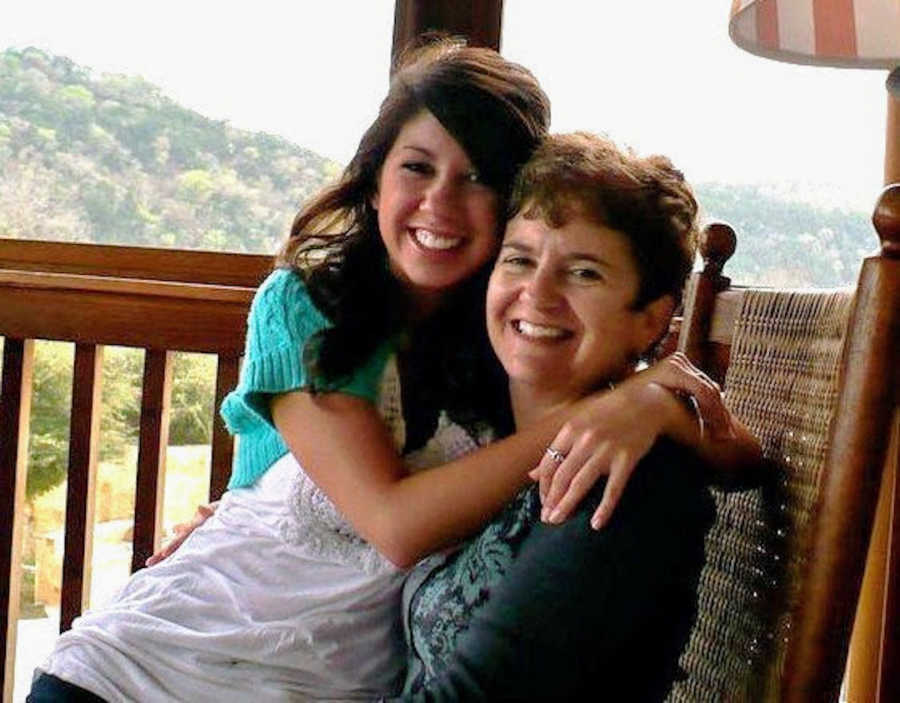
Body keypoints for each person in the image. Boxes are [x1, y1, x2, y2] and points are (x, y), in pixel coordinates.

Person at [29, 40, 753, 703]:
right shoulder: (309, 307)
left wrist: (658, 411)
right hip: (140, 675)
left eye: (476, 177)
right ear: (374, 181)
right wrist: (612, 407)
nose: (440, 201)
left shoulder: (505, 348)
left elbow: (742, 459)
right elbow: (392, 525)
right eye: (417, 167)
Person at [396, 132, 743, 701]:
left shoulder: (626, 477)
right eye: (520, 259)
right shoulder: (485, 439)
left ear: (651, 321)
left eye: (584, 272)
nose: (538, 293)